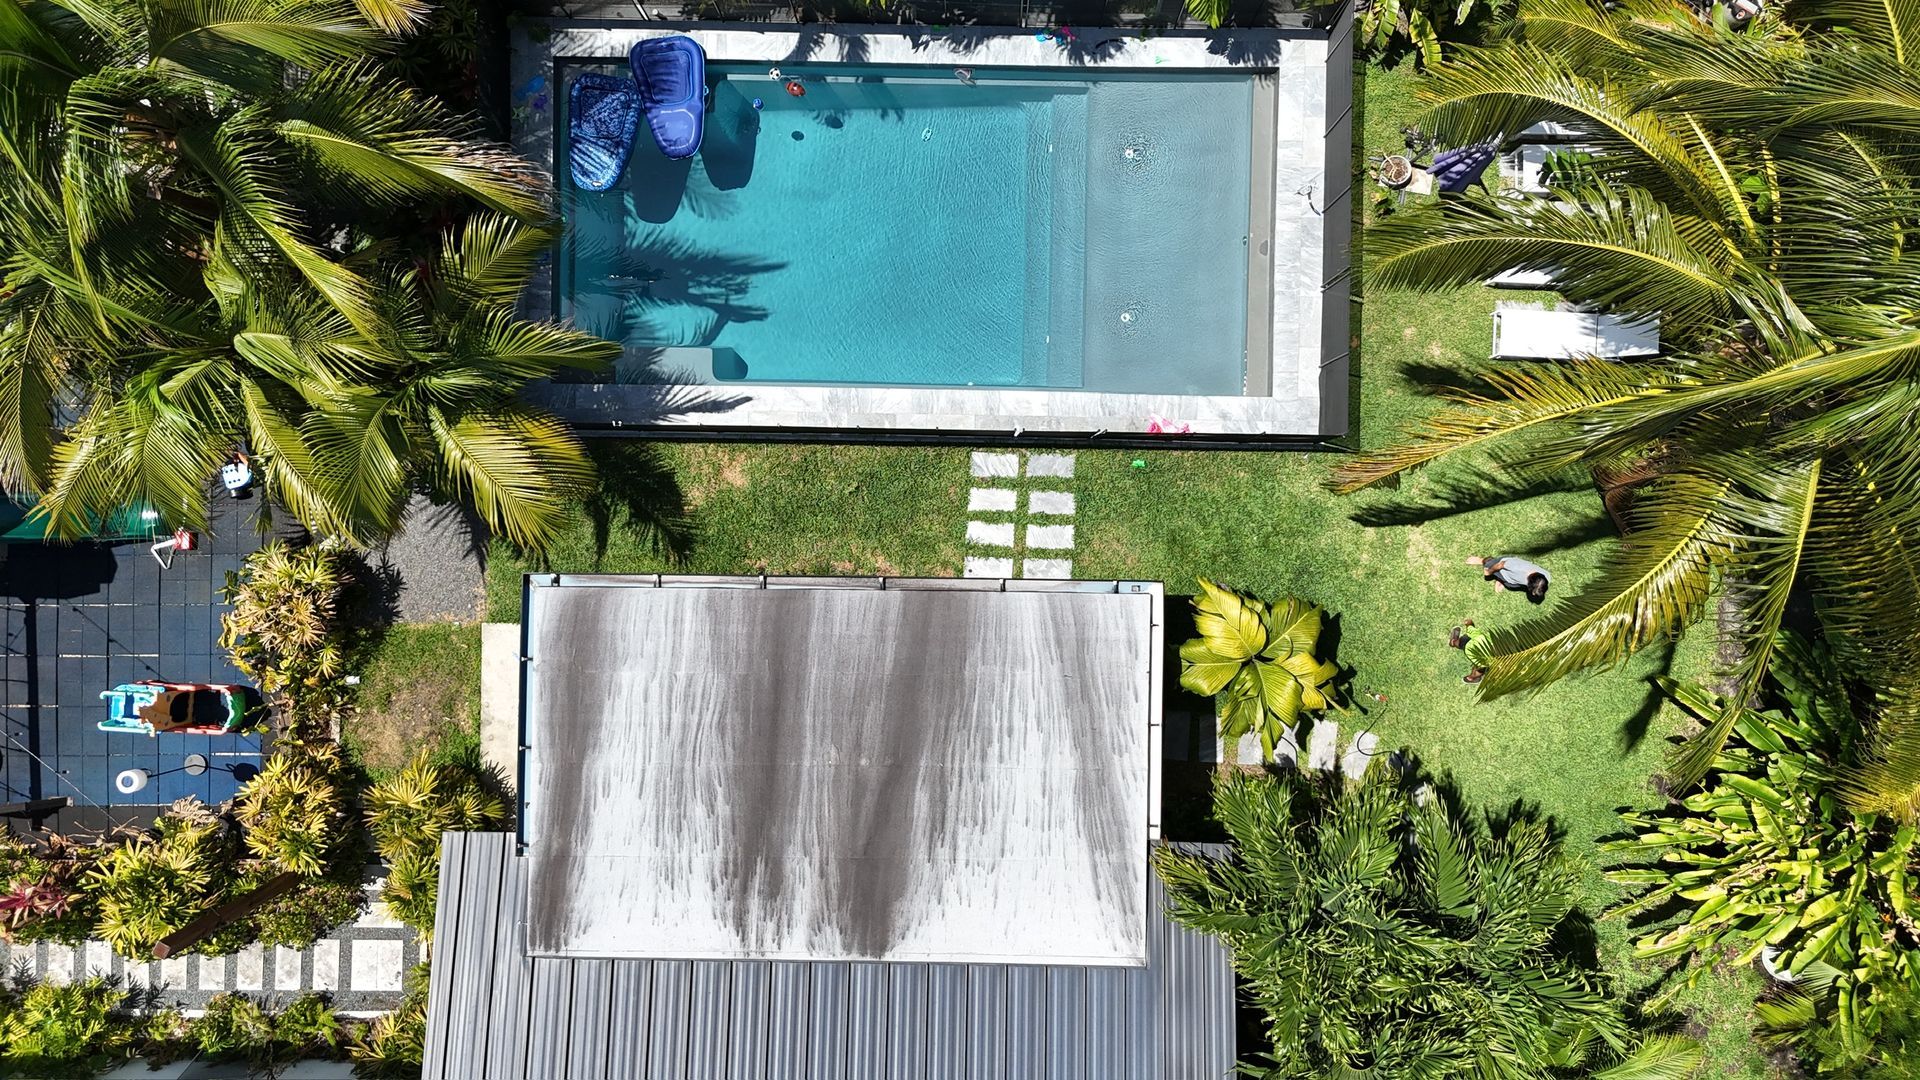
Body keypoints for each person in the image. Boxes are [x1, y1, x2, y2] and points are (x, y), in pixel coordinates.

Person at [1466, 554, 1550, 604]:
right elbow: (1500, 565)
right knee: (1489, 563)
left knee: (1510, 585)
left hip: (1512, 579)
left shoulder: (1547, 576)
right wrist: (1489, 571)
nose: (1533, 594)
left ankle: (1500, 580)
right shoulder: (1516, 567)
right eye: (1532, 589)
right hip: (1502, 567)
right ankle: (1480, 560)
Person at [1449, 620, 1496, 684]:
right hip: (1477, 648)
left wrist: (1468, 623)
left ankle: (1453, 642)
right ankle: (1473, 677)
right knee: (1481, 666)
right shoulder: (1475, 633)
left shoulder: (1475, 633)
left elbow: (1469, 622)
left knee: (1458, 643)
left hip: (1473, 644)